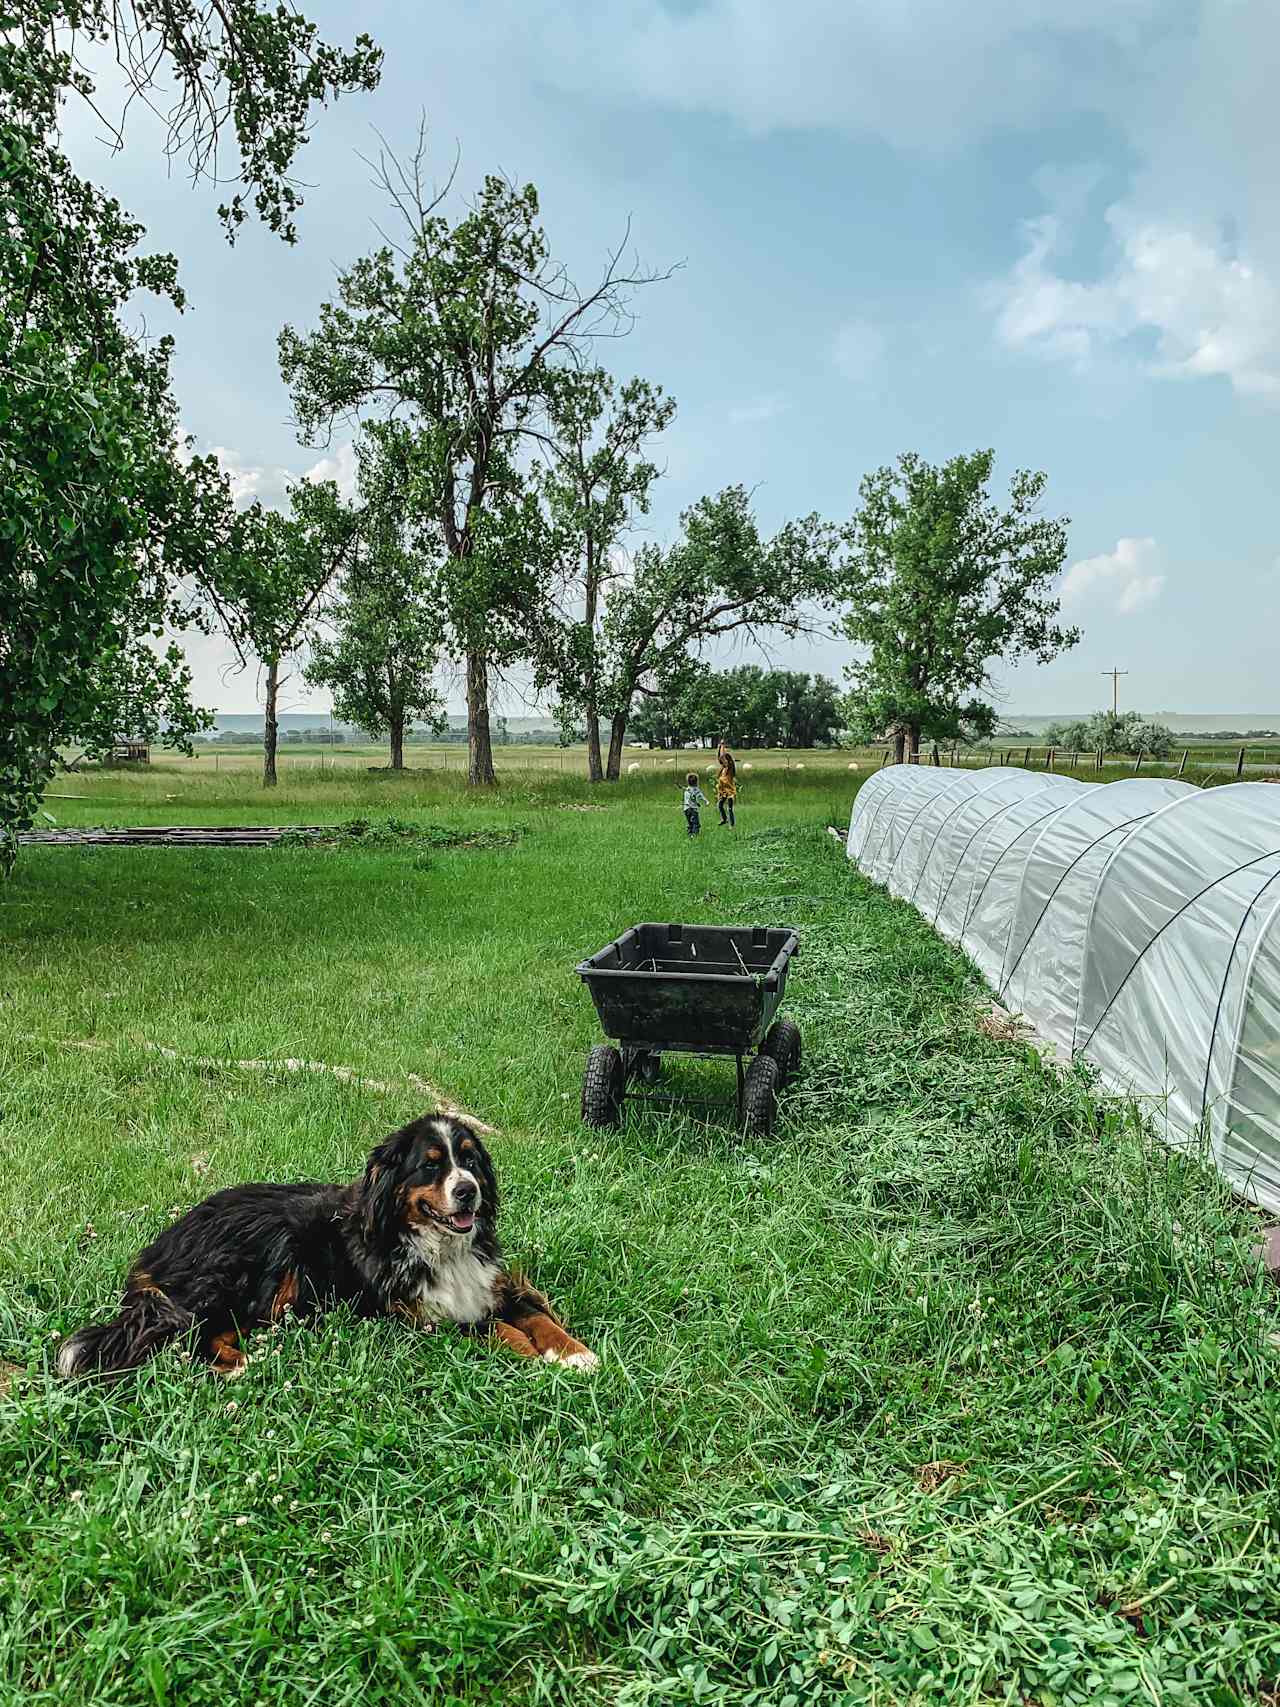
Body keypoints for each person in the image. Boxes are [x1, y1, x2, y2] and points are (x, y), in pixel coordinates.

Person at [715, 740, 738, 828]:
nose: (722, 761)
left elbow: (722, 756)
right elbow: (720, 757)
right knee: (720, 805)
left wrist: (723, 745)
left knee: (729, 809)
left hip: (730, 792)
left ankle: (732, 825)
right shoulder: (723, 769)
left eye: (724, 760)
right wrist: (720, 746)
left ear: (728, 761)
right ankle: (724, 819)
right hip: (724, 792)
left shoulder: (730, 770)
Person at [682, 772, 708, 836]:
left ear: (688, 782)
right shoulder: (696, 790)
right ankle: (694, 835)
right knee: (696, 823)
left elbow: (688, 799)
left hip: (686, 809)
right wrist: (706, 801)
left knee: (690, 823)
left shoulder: (686, 790)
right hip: (693, 810)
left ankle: (690, 834)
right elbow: (701, 796)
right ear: (696, 782)